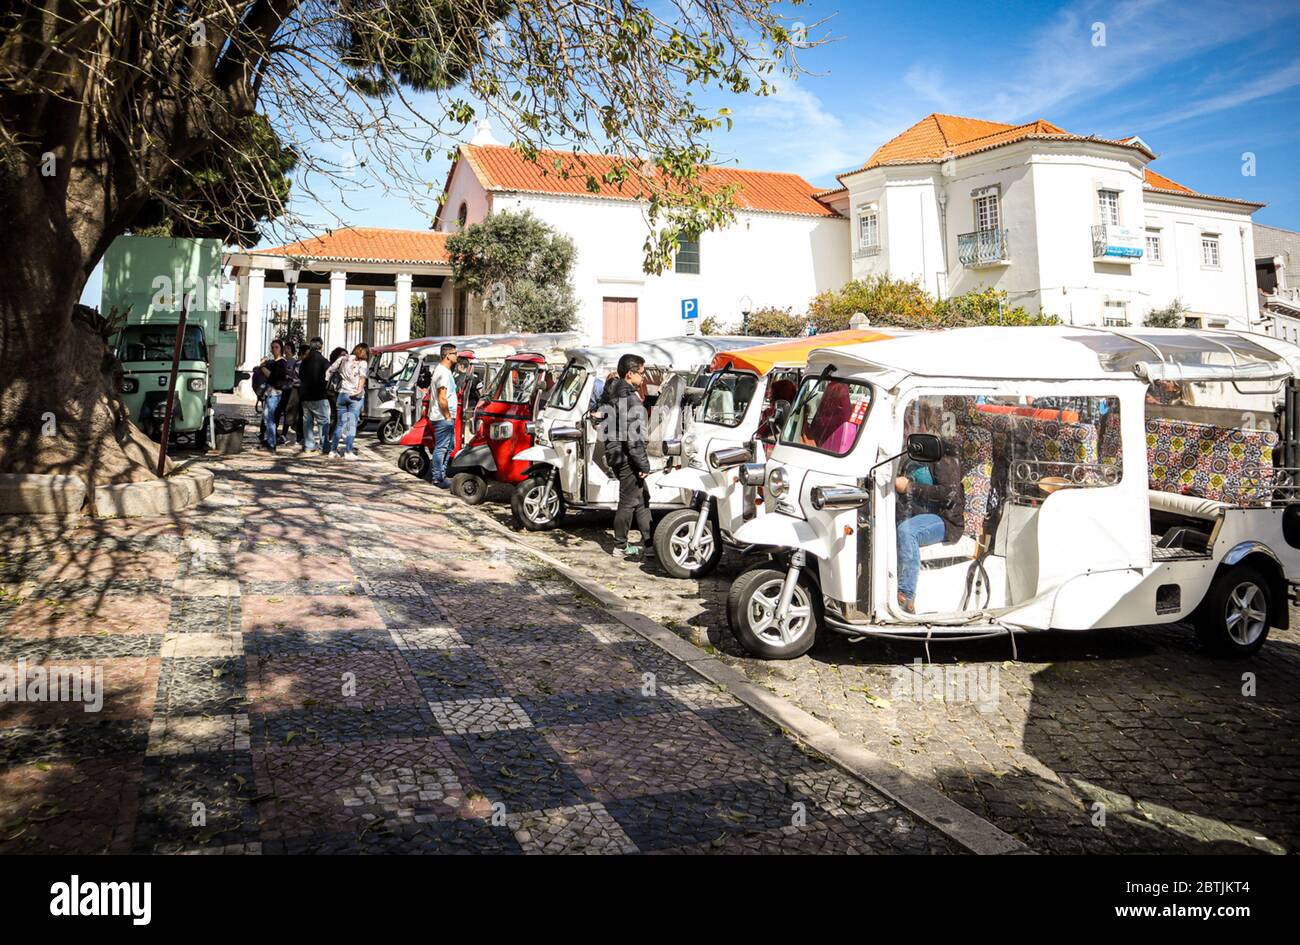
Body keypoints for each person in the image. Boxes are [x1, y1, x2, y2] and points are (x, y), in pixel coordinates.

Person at [894, 437, 964, 615]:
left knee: (907, 532)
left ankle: (906, 594)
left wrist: (910, 487)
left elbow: (950, 494)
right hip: (912, 513)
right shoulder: (906, 453)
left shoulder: (943, 457)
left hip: (944, 519)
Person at [598, 353, 654, 560]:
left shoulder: (612, 394)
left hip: (615, 453)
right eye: (642, 372)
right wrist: (644, 465)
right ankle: (620, 546)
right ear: (630, 374)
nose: (644, 377)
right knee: (629, 502)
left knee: (642, 499)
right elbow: (635, 440)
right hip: (627, 458)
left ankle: (649, 543)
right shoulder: (632, 401)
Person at [326, 342, 370, 459]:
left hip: (342, 394)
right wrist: (359, 390)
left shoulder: (343, 359)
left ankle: (333, 450)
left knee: (340, 424)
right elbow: (362, 377)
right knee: (350, 425)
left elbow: (329, 370)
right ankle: (348, 451)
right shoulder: (363, 363)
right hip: (354, 397)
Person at [428, 342, 459, 488]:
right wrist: (447, 416)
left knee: (449, 446)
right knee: (441, 447)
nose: (456, 356)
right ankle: (437, 478)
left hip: (446, 416)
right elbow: (442, 397)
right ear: (447, 355)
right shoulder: (443, 373)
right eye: (455, 353)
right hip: (442, 417)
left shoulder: (445, 371)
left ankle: (442, 474)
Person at [297, 338, 331, 455]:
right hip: (319, 395)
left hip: (305, 396)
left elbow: (300, 376)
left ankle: (309, 445)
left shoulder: (304, 362)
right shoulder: (323, 361)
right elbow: (329, 377)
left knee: (307, 422)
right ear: (321, 347)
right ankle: (324, 445)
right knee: (323, 421)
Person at [259, 340, 288, 453]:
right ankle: (270, 439)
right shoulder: (273, 362)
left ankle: (272, 442)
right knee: (267, 418)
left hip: (275, 394)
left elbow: (272, 376)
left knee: (270, 418)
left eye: (276, 347)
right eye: (272, 347)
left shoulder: (281, 363)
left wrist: (262, 367)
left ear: (281, 348)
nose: (274, 349)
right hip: (270, 393)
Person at [277, 343, 301, 444]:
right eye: (285, 348)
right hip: (282, 389)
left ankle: (285, 434)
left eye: (288, 348)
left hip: (290, 390)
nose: (286, 350)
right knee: (279, 412)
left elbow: (295, 375)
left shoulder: (294, 362)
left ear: (292, 350)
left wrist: (288, 376)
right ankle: (279, 433)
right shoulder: (282, 361)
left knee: (289, 412)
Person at [324, 346, 347, 449]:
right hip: (333, 393)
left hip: (337, 393)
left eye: (346, 355)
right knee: (335, 416)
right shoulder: (335, 367)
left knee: (335, 416)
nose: (344, 357)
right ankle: (331, 437)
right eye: (342, 355)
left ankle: (331, 437)